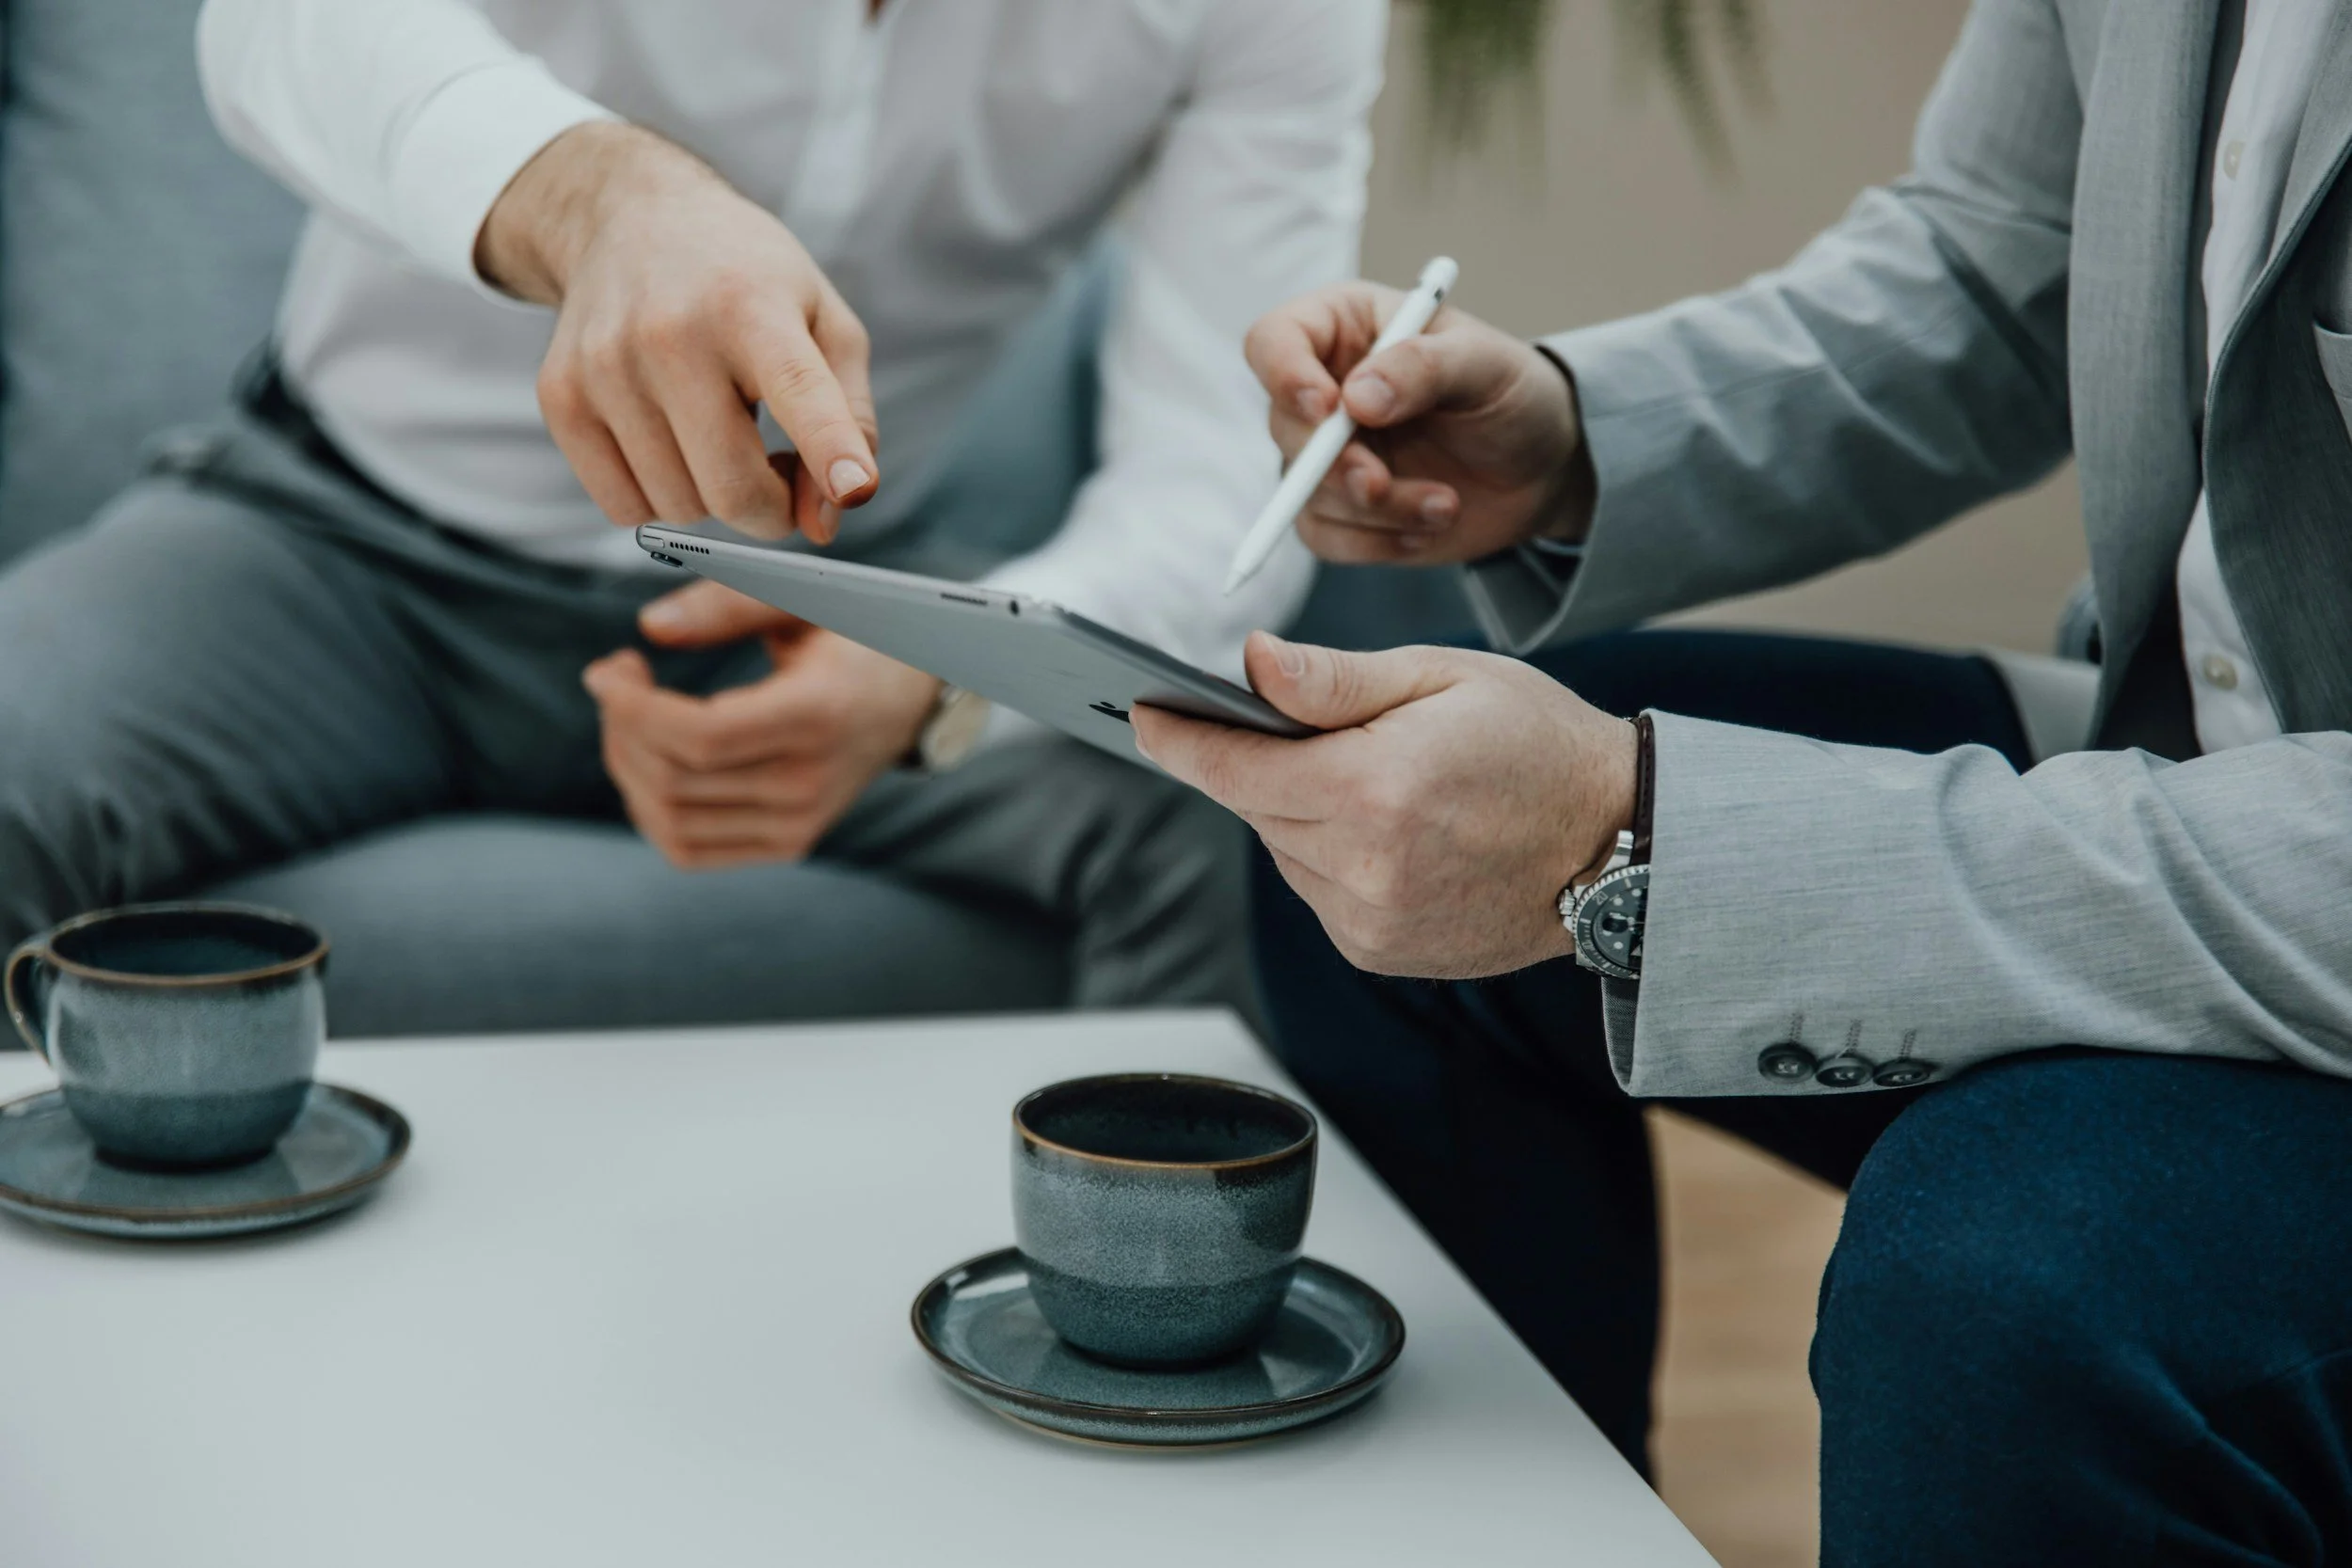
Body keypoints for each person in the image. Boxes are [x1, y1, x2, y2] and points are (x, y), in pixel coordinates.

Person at [1135, 1, 2352, 1561]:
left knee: (2001, 1290)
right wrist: (1573, 443)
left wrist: (1638, 835)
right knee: (1355, 843)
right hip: (2171, 767)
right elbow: (2001, 260)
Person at [0, 0, 1385, 1022]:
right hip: (339, 559)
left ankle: (1137, 1362)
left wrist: (931, 684)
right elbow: (284, 29)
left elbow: (1223, 470)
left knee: (1226, 787)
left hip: (836, 597)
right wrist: (602, 197)